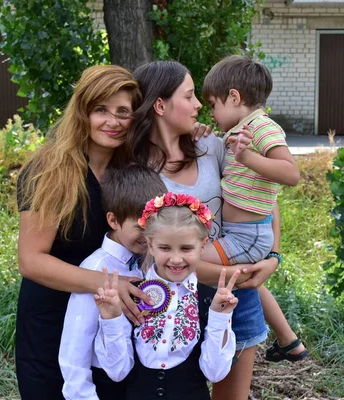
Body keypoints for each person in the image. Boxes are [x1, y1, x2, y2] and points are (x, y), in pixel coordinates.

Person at [126, 60, 306, 400]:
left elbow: (265, 194)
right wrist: (233, 272)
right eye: (191, 96)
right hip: (171, 310)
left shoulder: (213, 147)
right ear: (160, 105)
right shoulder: (137, 172)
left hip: (235, 301)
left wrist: (273, 256)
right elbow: (150, 255)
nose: (198, 106)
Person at [15, 64, 153, 399]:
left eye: (123, 112)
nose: (112, 121)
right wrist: (112, 284)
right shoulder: (49, 170)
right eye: (100, 110)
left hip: (112, 322)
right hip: (53, 316)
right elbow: (31, 261)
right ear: (82, 112)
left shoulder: (130, 171)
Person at [201, 55, 309, 365]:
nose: (211, 112)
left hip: (246, 236)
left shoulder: (261, 128)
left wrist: (248, 158)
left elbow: (291, 174)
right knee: (248, 281)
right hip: (240, 234)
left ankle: (236, 346)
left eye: (212, 104)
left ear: (233, 97)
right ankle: (288, 341)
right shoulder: (238, 131)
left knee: (186, 261)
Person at [93, 193, 241, 399]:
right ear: (150, 245)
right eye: (165, 248)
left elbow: (214, 373)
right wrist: (111, 320)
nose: (176, 258)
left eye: (186, 248)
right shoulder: (133, 294)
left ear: (202, 246)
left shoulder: (210, 300)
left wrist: (219, 318)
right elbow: (117, 372)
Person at [59, 164, 168, 400]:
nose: (149, 235)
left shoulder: (149, 262)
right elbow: (75, 346)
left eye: (155, 225)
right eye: (141, 226)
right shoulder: (97, 269)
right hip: (104, 386)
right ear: (114, 220)